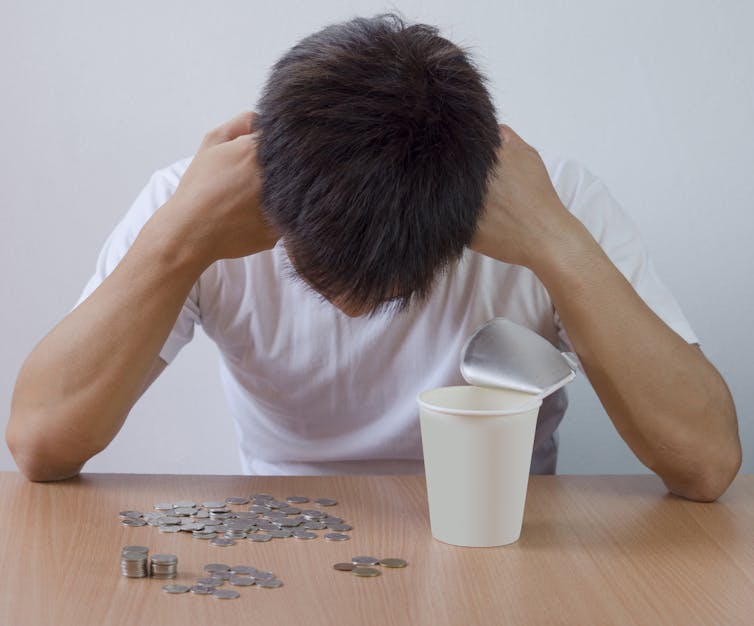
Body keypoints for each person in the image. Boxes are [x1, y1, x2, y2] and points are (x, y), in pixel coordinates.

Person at [7, 15, 740, 500]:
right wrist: (173, 242)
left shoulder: (552, 204)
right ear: (263, 190)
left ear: (474, 210)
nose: (352, 308)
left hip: (509, 534)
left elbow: (706, 465)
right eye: (316, 267)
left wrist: (555, 240)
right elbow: (41, 447)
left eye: (390, 283)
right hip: (286, 529)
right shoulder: (197, 206)